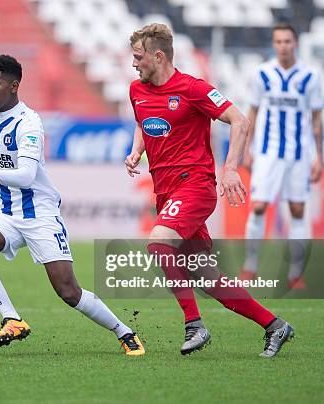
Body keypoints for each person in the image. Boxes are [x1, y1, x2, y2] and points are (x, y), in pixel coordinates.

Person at [0, 55, 144, 356]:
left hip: (40, 216)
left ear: (14, 86)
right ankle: (12, 319)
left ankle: (124, 332)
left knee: (68, 291)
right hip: (5, 213)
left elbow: (25, 176)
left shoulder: (30, 123)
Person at [124, 24, 293, 358]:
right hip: (166, 192)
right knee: (206, 276)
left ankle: (194, 325)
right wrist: (136, 151)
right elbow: (143, 122)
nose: (134, 64)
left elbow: (241, 121)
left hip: (195, 186)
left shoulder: (193, 89)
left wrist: (230, 169)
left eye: (138, 57)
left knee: (158, 243)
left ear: (158, 56)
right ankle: (275, 325)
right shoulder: (136, 90)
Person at [240, 23, 324, 289]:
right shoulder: (262, 74)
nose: (283, 46)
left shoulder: (310, 76)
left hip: (299, 155)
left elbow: (317, 118)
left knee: (297, 210)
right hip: (267, 153)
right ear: (274, 44)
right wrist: (247, 150)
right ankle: (250, 267)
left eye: (287, 41)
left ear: (295, 43)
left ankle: (295, 274)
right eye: (278, 42)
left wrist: (319, 157)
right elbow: (251, 113)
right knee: (259, 206)